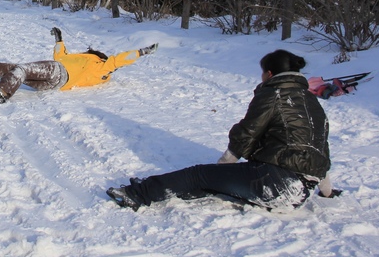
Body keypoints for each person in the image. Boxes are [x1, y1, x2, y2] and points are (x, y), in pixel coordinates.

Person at [106, 49, 340, 212]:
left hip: (275, 184)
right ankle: (167, 189)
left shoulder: (273, 94)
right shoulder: (312, 103)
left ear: (269, 74)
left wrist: (222, 167)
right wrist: (327, 192)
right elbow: (320, 151)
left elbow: (247, 132)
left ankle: (138, 194)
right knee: (212, 184)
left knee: (199, 175)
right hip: (299, 194)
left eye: (262, 73)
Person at [0, 27, 157, 103]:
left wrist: (142, 52)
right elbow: (61, 55)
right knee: (13, 68)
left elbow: (121, 59)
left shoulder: (100, 64)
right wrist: (59, 38)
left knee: (21, 69)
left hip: (58, 73)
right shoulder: (90, 66)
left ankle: (4, 91)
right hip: (55, 82)